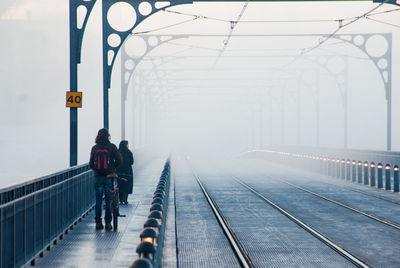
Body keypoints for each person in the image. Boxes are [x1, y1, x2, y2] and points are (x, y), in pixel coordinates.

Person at [89, 128, 122, 230]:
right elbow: (119, 159)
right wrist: (113, 169)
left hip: (98, 177)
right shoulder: (112, 147)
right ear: (108, 136)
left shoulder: (95, 148)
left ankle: (98, 222)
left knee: (98, 200)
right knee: (108, 200)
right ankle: (108, 223)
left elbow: (91, 163)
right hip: (109, 177)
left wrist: (97, 170)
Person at [116, 140, 134, 204]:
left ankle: (120, 200)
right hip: (127, 171)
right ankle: (125, 199)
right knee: (127, 185)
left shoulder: (118, 152)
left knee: (120, 185)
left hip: (119, 172)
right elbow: (132, 161)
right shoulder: (129, 152)